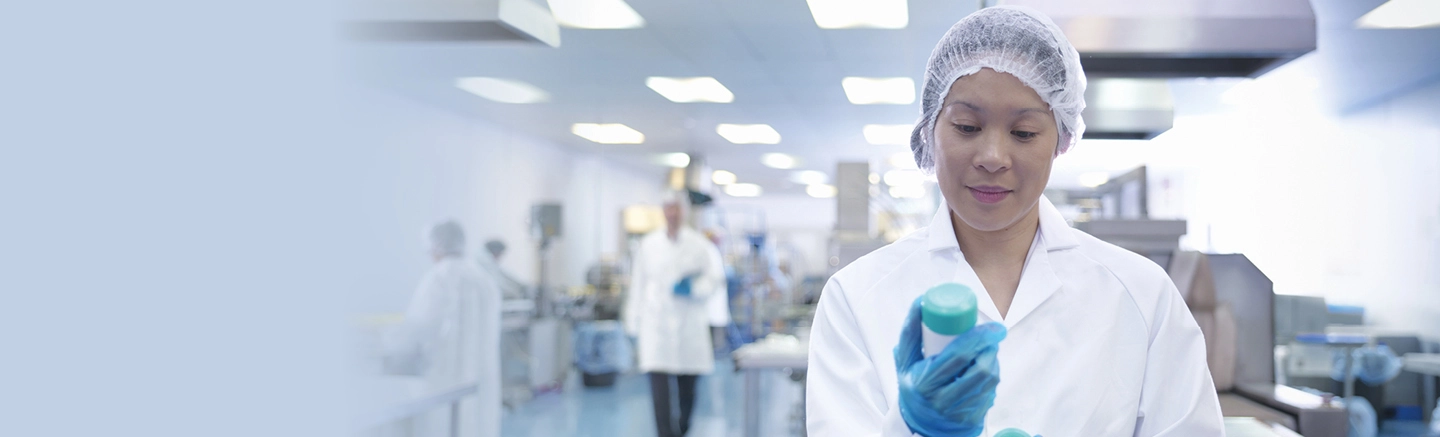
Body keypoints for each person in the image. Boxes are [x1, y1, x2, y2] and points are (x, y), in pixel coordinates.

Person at [805, 6, 1223, 437]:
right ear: (930, 129)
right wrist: (912, 425)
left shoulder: (1141, 294)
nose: (992, 158)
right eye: (967, 127)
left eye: (1024, 133)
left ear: (1060, 140)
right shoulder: (855, 297)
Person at [623, 191, 726, 437]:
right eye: (668, 208)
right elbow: (638, 284)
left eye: (677, 208)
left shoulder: (699, 244)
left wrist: (694, 289)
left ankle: (682, 428)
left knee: (687, 389)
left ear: (685, 211)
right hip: (656, 325)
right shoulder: (649, 245)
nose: (673, 213)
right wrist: (632, 323)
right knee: (658, 388)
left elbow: (714, 280)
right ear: (663, 211)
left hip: (688, 323)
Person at [387, 220, 502, 437]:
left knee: (445, 425)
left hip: (446, 377)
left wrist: (388, 344)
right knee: (477, 424)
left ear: (436, 246)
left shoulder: (438, 277)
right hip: (481, 378)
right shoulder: (484, 279)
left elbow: (417, 327)